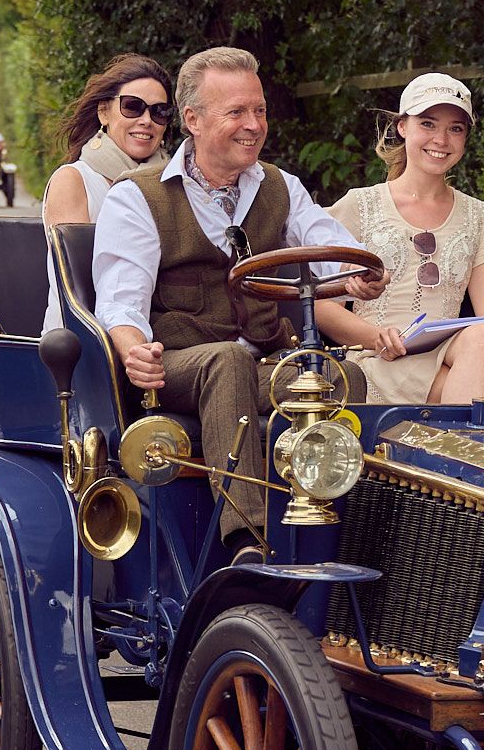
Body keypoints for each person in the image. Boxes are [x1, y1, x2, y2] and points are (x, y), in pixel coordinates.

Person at [93, 47, 383, 558]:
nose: (254, 125)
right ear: (193, 121)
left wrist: (358, 273)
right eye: (237, 113)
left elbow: (329, 245)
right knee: (226, 361)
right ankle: (246, 541)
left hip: (261, 361)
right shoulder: (137, 197)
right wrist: (133, 349)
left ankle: (344, 540)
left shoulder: (279, 186)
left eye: (260, 111)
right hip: (182, 366)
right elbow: (122, 300)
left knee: (345, 379)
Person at [314, 72, 484, 405]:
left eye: (455, 129)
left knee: (483, 334)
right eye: (428, 124)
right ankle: (471, 447)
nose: (441, 140)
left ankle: (454, 450)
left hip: (447, 350)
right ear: (403, 127)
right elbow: (321, 307)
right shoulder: (358, 206)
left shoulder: (478, 216)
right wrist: (376, 337)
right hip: (375, 356)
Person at [41, 54, 174, 333]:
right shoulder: (73, 180)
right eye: (132, 107)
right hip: (83, 338)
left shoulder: (175, 183)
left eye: (159, 111)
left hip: (164, 331)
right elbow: (81, 283)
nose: (147, 120)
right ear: (104, 112)